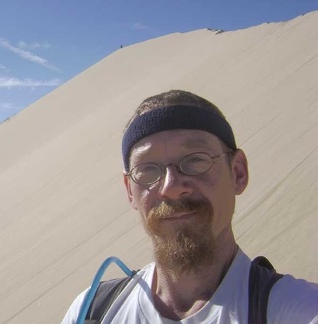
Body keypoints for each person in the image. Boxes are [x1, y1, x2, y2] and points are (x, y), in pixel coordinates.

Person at [62, 90, 318, 323]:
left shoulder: (301, 311)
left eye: (195, 160)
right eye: (147, 170)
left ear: (238, 173)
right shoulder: (91, 311)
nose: (171, 187)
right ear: (130, 191)